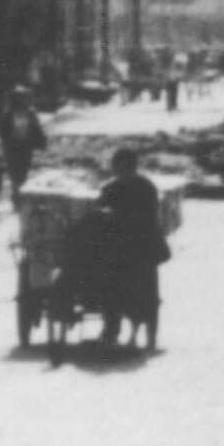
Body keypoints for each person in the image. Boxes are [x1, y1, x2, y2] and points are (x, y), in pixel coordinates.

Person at [97, 146, 171, 348]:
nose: (119, 171)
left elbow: (149, 219)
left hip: (139, 246)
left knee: (126, 284)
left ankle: (117, 327)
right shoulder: (114, 188)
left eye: (121, 167)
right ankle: (113, 327)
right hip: (127, 247)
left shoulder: (143, 188)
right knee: (110, 281)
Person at [0, 86, 48, 203]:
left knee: (23, 174)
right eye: (21, 99)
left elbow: (37, 129)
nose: (23, 101)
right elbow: (2, 132)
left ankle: (21, 198)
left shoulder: (30, 113)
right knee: (15, 176)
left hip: (25, 148)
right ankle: (16, 198)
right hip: (12, 149)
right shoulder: (8, 114)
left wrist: (41, 142)